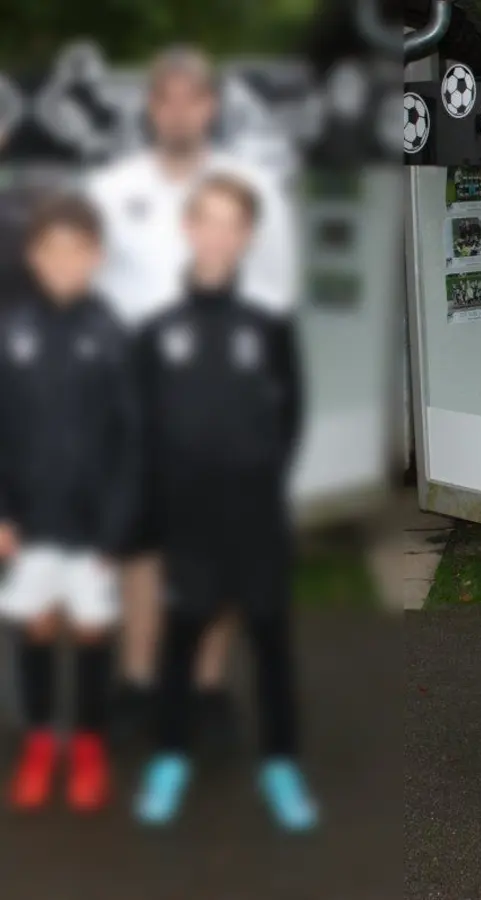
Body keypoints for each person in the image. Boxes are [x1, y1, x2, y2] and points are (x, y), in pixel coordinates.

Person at [85, 45, 299, 749]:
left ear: (211, 107)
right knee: (143, 549)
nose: (179, 111)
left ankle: (206, 685)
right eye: (165, 99)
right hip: (136, 400)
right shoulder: (114, 188)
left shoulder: (249, 188)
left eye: (192, 98)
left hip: (226, 405)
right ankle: (141, 681)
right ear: (152, 109)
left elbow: (275, 291)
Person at [131, 174, 313, 832]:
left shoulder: (267, 327)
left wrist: (259, 483)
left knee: (270, 641)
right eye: (204, 219)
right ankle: (171, 757)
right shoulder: (157, 330)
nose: (216, 234)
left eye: (230, 222)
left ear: (245, 237)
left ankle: (281, 763)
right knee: (179, 643)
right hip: (187, 522)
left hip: (256, 517)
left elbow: (290, 417)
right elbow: (139, 426)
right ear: (188, 229)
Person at [0, 194, 137, 813]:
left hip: (92, 527)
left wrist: (115, 530)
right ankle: (39, 742)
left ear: (97, 257)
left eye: (76, 251)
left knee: (88, 631)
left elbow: (133, 440)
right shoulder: (13, 331)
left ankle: (86, 743)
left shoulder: (110, 333)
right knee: (37, 626)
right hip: (29, 522)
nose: (63, 263)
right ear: (32, 257)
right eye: (51, 251)